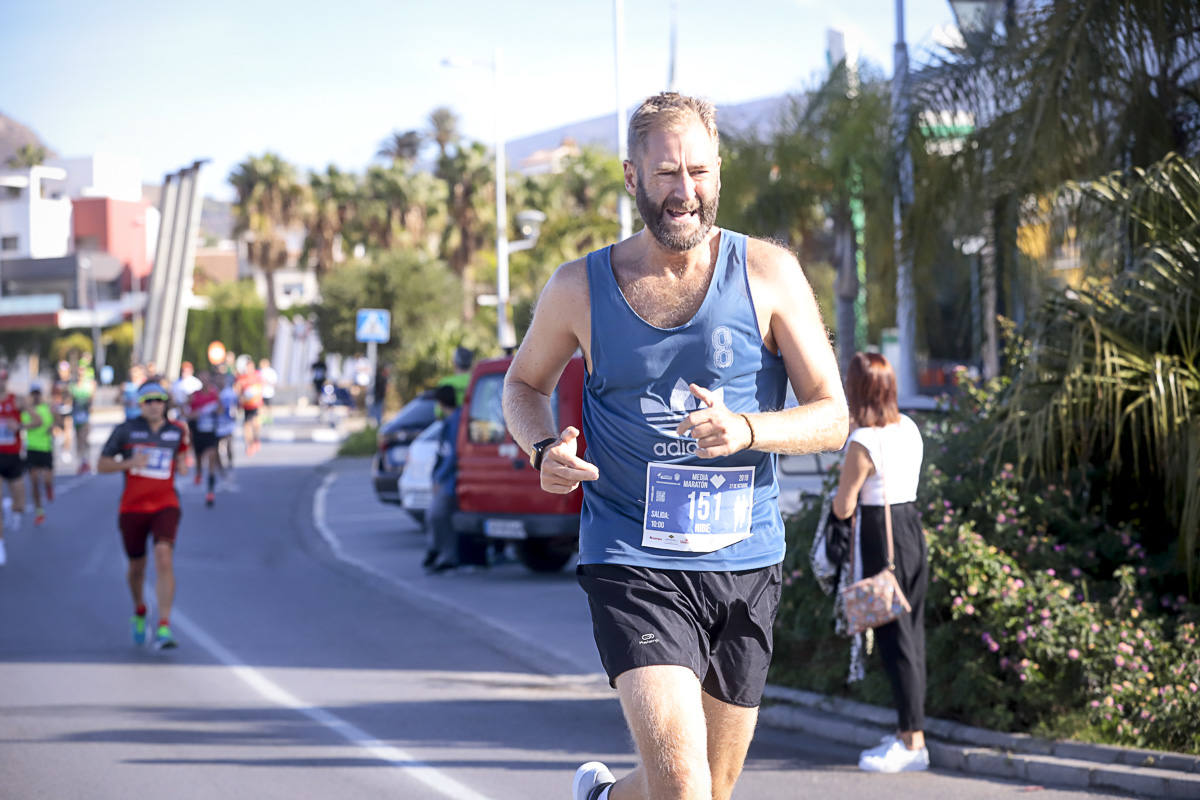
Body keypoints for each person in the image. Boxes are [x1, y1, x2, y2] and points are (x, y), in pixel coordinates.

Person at [502, 91, 849, 800]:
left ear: (718, 172)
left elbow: (832, 416)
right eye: (666, 174)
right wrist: (544, 451)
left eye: (698, 171)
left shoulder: (768, 274)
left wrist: (750, 428)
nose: (684, 191)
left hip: (745, 562)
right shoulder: (580, 287)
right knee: (685, 788)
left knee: (706, 792)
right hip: (631, 559)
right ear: (633, 178)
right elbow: (521, 386)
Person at [831, 352, 928, 773]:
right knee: (912, 636)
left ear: (856, 390)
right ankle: (910, 734)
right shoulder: (908, 427)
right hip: (911, 531)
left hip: (880, 540)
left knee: (895, 643)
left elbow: (843, 505)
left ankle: (913, 744)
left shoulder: (863, 443)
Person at [97, 382, 191, 650]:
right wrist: (129, 463)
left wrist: (184, 463)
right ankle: (139, 609)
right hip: (132, 508)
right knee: (137, 569)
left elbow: (183, 461)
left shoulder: (176, 431)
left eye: (159, 399)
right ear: (140, 403)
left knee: (164, 556)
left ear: (165, 403)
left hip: (166, 504)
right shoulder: (126, 430)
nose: (154, 404)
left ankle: (164, 625)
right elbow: (101, 465)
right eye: (148, 400)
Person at [425, 385, 463, 573]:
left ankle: (447, 555)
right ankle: (435, 551)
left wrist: (439, 477)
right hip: (445, 479)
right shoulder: (451, 420)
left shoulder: (455, 421)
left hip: (451, 480)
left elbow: (452, 454)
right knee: (433, 515)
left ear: (440, 403)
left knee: (437, 515)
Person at [0, 369, 29, 564]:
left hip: (13, 457)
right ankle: (0, 544)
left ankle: (12, 508)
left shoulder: (17, 401)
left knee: (20, 504)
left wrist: (19, 426)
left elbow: (38, 421)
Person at [186, 374, 223, 507]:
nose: (205, 382)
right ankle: (199, 472)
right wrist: (195, 414)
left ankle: (210, 491)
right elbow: (186, 413)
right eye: (202, 380)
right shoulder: (194, 395)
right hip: (198, 432)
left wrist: (214, 410)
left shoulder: (215, 395)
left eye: (207, 380)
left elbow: (221, 410)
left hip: (211, 432)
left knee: (212, 456)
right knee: (199, 457)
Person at [22, 383, 55, 526]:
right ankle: (39, 511)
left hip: (46, 448)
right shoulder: (26, 411)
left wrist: (53, 427)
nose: (36, 396)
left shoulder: (47, 408)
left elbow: (57, 422)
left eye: (38, 393)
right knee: (34, 482)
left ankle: (49, 487)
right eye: (33, 393)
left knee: (47, 480)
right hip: (32, 448)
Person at [69, 364, 95, 474]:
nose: (80, 376)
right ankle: (80, 462)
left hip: (85, 416)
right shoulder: (73, 387)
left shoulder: (89, 386)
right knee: (78, 440)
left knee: (85, 438)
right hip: (76, 416)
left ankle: (87, 461)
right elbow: (70, 401)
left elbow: (91, 400)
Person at [235, 363, 264, 455]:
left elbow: (261, 387)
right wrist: (240, 399)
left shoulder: (257, 376)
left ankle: (256, 439)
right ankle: (249, 444)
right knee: (246, 425)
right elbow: (237, 389)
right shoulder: (241, 378)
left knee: (255, 423)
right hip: (246, 405)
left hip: (255, 404)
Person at [258, 357, 278, 423]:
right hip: (261, 392)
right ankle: (263, 418)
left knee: (268, 406)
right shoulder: (260, 371)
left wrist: (267, 382)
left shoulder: (271, 371)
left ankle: (269, 419)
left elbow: (274, 382)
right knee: (261, 406)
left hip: (268, 392)